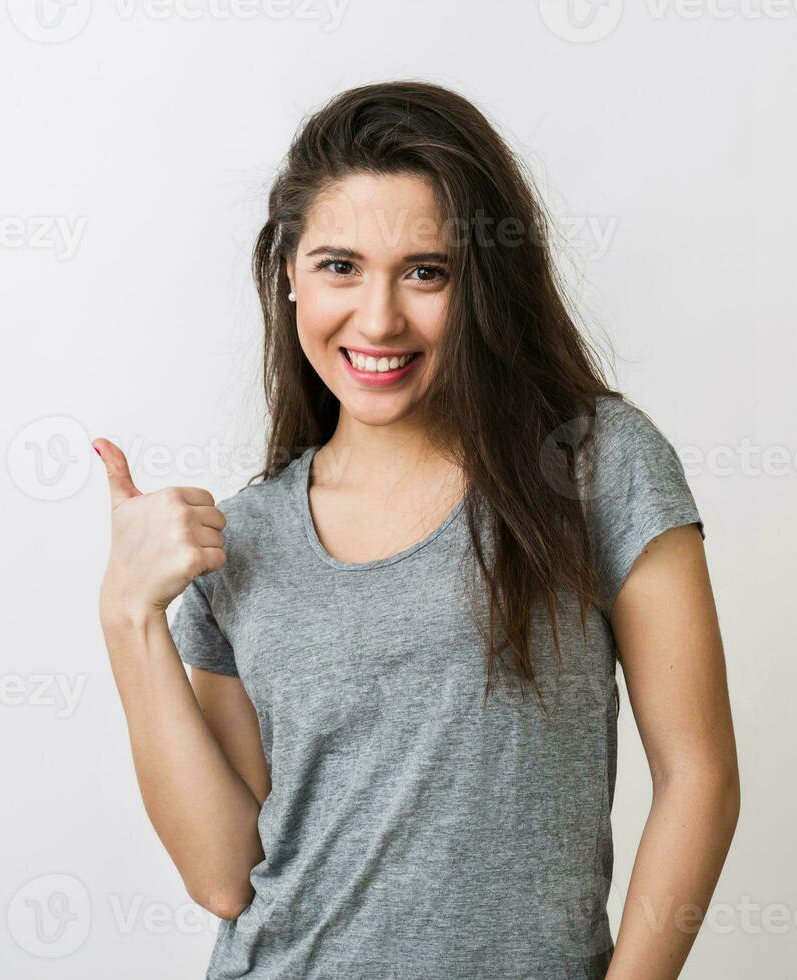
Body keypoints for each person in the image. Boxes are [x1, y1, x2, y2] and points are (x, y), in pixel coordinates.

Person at [93, 80, 739, 980]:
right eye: (339, 266)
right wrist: (128, 618)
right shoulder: (243, 538)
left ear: (480, 283)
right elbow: (224, 877)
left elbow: (698, 779)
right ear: (287, 272)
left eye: (425, 272)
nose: (379, 318)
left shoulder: (594, 465)